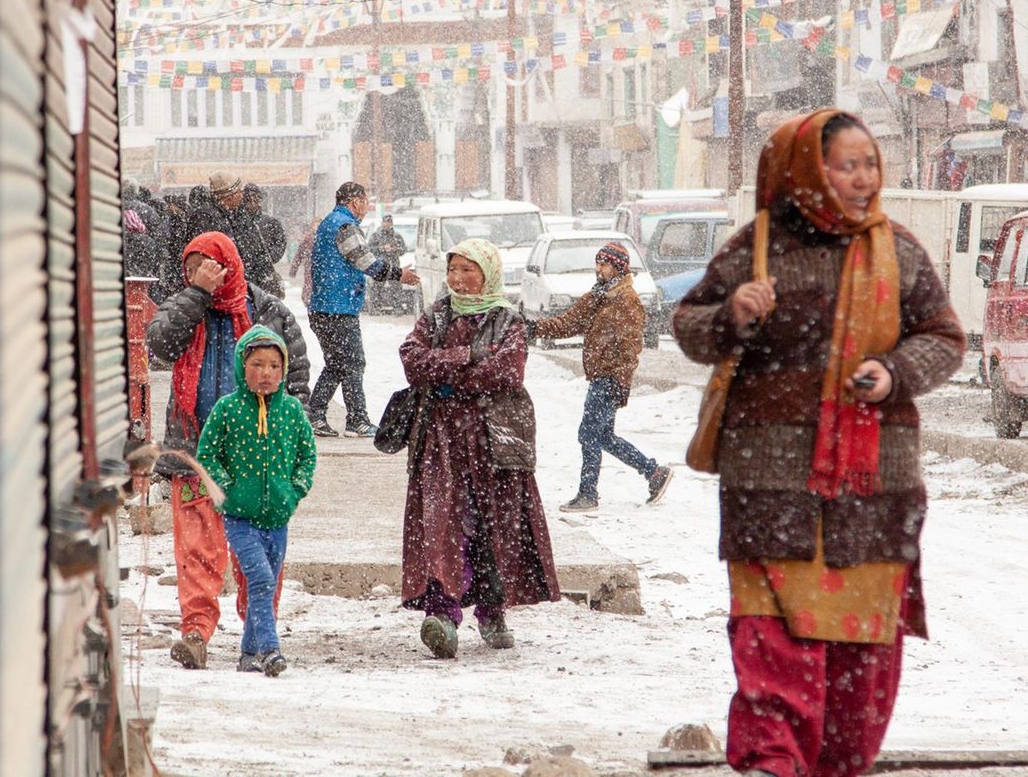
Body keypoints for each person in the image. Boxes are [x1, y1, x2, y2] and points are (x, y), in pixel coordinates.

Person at [672, 109, 965, 777]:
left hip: (872, 490)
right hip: (769, 486)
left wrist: (894, 371)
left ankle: (838, 764)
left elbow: (943, 337)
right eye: (847, 164)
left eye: (871, 163)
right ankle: (775, 762)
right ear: (806, 170)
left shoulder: (901, 251)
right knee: (773, 638)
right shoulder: (758, 246)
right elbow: (689, 328)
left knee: (860, 649)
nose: (864, 178)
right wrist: (732, 313)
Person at [146, 231, 311, 670]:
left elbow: (295, 377)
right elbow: (159, 344)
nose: (198, 273)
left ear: (229, 265)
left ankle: (260, 635)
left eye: (208, 266)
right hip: (196, 452)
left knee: (258, 555)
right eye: (191, 267)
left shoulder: (267, 311)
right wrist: (197, 293)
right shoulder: (187, 307)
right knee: (197, 550)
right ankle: (196, 631)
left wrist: (292, 460)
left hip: (258, 464)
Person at [398, 239, 560, 659]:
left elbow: (507, 372)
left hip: (494, 440)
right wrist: (468, 355)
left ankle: (493, 610)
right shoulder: (437, 314)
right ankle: (443, 615)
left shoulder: (509, 320)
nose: (457, 279)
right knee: (443, 522)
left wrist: (450, 376)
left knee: (495, 524)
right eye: (453, 270)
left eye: (467, 270)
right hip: (442, 440)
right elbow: (413, 360)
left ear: (487, 273)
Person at [198, 325, 317, 677]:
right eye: (257, 365)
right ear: (242, 367)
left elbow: (307, 456)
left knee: (263, 582)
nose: (266, 374)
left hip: (278, 517)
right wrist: (226, 488)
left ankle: (248, 652)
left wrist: (294, 491)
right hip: (239, 517)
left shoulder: (292, 411)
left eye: (274, 367)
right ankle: (269, 647)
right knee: (262, 579)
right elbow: (207, 455)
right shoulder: (228, 409)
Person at [526, 241, 673, 512]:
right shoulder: (598, 295)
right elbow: (567, 323)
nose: (598, 269)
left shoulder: (626, 300)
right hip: (600, 376)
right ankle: (654, 473)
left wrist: (621, 381)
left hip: (608, 378)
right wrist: (534, 328)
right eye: (597, 263)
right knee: (604, 436)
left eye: (603, 264)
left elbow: (631, 347)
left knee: (588, 435)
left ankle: (588, 493)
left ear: (617, 267)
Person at [307, 181, 420, 437]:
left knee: (337, 364)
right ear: (354, 201)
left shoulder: (330, 222)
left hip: (326, 306)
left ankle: (315, 415)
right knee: (353, 362)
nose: (367, 207)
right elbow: (364, 261)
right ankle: (357, 420)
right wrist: (397, 274)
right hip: (338, 307)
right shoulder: (344, 225)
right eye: (366, 201)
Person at [239, 183, 288, 298]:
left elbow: (280, 243)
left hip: (264, 275)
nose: (252, 203)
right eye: (248, 199)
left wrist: (268, 258)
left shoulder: (270, 222)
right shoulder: (236, 222)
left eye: (255, 199)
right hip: (244, 274)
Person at [367, 214, 409, 314]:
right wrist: (380, 249)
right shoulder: (376, 236)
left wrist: (395, 249)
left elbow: (403, 249)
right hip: (380, 265)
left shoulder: (397, 236)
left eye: (389, 222)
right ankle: (375, 308)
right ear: (382, 223)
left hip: (393, 264)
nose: (387, 224)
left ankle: (397, 307)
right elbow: (369, 249)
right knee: (377, 287)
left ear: (391, 223)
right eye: (385, 222)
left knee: (396, 287)